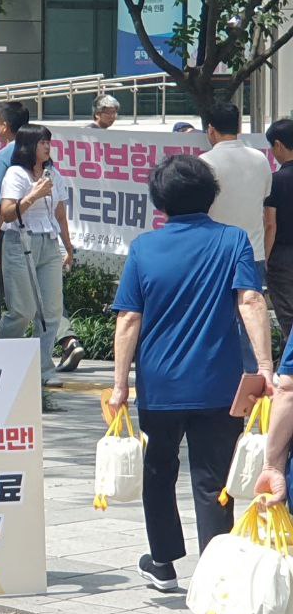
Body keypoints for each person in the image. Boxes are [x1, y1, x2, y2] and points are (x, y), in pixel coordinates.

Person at [108, 155, 274, 591]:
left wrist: (119, 384)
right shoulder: (233, 239)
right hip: (220, 384)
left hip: (159, 385)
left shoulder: (145, 247)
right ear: (211, 194)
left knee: (159, 470)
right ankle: (216, 572)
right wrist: (265, 367)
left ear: (159, 200)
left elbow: (128, 319)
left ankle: (162, 562)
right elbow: (250, 301)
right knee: (213, 478)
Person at [0, 125, 74, 387]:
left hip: (49, 243)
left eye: (49, 142)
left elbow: (60, 214)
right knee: (23, 310)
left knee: (50, 311)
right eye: (42, 142)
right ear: (28, 145)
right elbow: (7, 213)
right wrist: (34, 194)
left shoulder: (54, 174)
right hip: (20, 240)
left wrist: (68, 246)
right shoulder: (15, 174)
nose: (47, 147)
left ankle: (43, 368)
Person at [201, 101, 272, 371]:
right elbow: (265, 202)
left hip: (214, 253)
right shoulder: (260, 159)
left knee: (214, 317)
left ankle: (220, 374)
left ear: (211, 130)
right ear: (239, 127)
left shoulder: (205, 163)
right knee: (251, 318)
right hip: (252, 251)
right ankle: (254, 375)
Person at [0, 101, 30, 337]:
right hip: (37, 233)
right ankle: (67, 338)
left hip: (7, 234)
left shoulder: (2, 159)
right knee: (37, 291)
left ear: (5, 126)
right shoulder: (38, 154)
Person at [264, 118, 293, 341]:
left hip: (284, 257)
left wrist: (266, 258)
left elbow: (270, 224)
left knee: (288, 316)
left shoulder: (276, 180)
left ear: (278, 145)